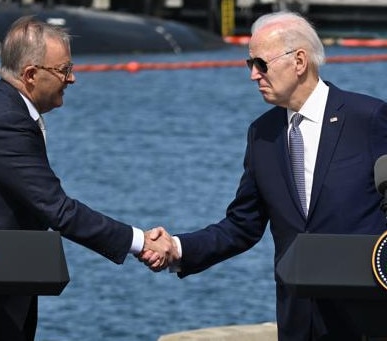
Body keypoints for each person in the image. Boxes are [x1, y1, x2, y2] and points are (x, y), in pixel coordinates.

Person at [140, 11, 387, 341]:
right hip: (299, 322)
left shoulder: (368, 119)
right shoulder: (262, 134)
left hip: (368, 321)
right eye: (249, 65)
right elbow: (243, 225)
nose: (254, 75)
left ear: (299, 61)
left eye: (261, 64)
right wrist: (178, 248)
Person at [0, 15, 171, 341]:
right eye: (64, 70)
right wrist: (139, 242)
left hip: (3, 283)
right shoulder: (6, 120)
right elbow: (58, 209)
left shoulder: (6, 109)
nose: (73, 78)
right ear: (30, 75)